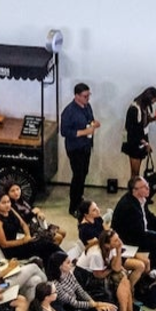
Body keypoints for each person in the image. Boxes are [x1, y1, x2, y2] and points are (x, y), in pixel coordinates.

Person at [111, 174, 156, 268]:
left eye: (147, 185)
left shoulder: (141, 199)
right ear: (135, 190)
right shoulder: (130, 207)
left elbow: (149, 216)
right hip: (128, 238)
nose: (148, 188)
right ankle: (154, 266)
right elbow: (140, 233)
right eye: (144, 187)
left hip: (138, 229)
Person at [58, 82, 100, 216]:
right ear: (77, 96)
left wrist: (94, 124)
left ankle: (80, 198)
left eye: (89, 95)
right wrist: (83, 132)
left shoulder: (87, 107)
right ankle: (73, 206)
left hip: (86, 145)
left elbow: (90, 120)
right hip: (75, 148)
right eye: (85, 96)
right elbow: (64, 131)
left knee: (84, 173)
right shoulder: (69, 111)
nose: (88, 98)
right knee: (78, 175)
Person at [121, 87, 156, 188]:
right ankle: (133, 192)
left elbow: (144, 121)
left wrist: (153, 119)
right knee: (135, 172)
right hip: (134, 143)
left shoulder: (144, 107)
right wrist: (145, 143)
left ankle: (136, 191)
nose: (153, 103)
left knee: (137, 172)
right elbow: (132, 131)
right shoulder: (134, 109)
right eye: (153, 101)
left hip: (141, 141)